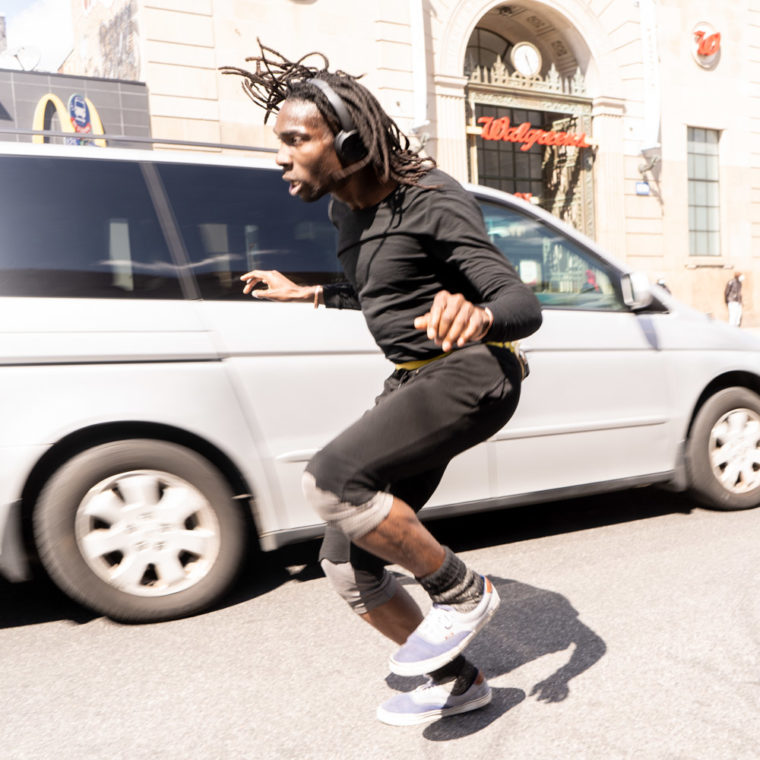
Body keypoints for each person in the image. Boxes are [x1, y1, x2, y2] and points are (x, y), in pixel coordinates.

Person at [221, 44, 542, 726]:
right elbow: (381, 290)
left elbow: (520, 303)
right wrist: (310, 294)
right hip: (413, 379)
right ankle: (459, 682)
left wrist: (479, 312)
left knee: (333, 479)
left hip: (476, 370)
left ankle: (460, 593)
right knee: (347, 561)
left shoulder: (432, 198)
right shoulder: (345, 214)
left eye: (294, 141)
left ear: (348, 142)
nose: (280, 156)